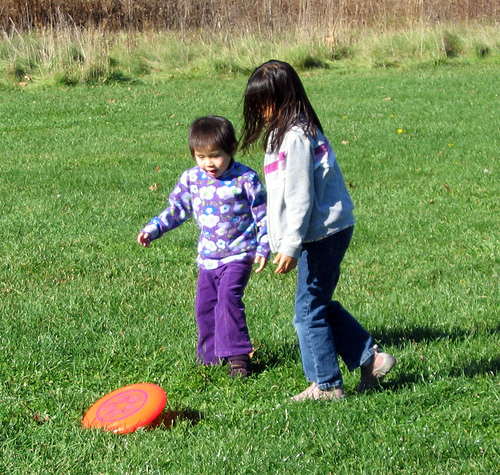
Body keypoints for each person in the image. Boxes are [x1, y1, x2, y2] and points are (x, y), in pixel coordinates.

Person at [240, 60, 396, 400]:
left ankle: (326, 385)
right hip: (323, 231)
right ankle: (371, 359)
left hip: (323, 234)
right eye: (257, 104)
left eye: (266, 103)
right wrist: (274, 239)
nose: (261, 111)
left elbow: (300, 197)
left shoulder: (296, 137)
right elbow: (281, 196)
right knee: (318, 304)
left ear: (285, 98)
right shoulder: (284, 133)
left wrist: (291, 245)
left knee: (307, 313)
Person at [138, 115, 270, 378]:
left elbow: (264, 215)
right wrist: (153, 228)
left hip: (239, 254)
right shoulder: (192, 179)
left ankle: (238, 358)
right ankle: (209, 359)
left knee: (228, 300)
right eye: (201, 156)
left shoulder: (246, 178)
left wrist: (264, 247)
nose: (209, 163)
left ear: (232, 149)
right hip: (208, 258)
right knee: (205, 307)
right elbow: (177, 210)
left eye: (215, 156)